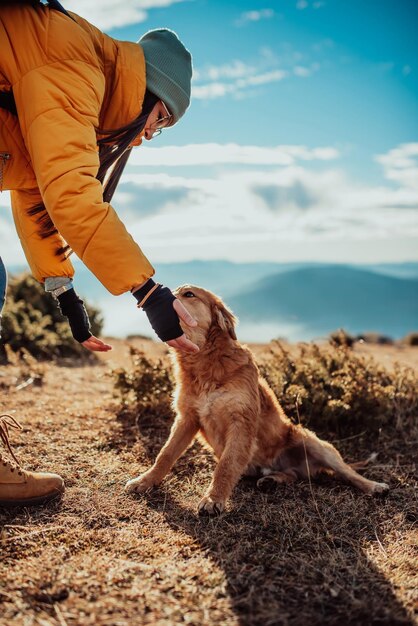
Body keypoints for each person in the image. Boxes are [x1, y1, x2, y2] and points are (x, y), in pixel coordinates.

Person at [0, 0, 198, 506]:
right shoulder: (73, 63)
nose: (152, 133)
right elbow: (72, 198)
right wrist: (150, 293)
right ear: (150, 89)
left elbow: (37, 192)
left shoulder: (77, 75)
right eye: (161, 117)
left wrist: (64, 293)